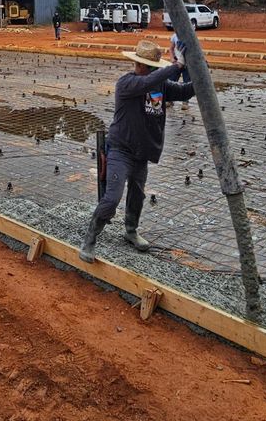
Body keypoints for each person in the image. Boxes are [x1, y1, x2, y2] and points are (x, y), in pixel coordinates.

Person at [79, 39, 195, 263]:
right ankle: (90, 239)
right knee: (112, 198)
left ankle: (131, 231)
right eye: (151, 68)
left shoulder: (160, 85)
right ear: (140, 65)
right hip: (120, 150)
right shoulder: (127, 83)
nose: (153, 72)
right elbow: (147, 83)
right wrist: (176, 66)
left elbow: (184, 92)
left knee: (137, 195)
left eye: (155, 69)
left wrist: (199, 70)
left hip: (142, 153)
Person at [170, 31, 191, 109]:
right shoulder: (174, 36)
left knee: (187, 82)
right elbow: (171, 48)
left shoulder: (190, 36)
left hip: (187, 64)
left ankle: (185, 102)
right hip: (177, 62)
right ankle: (170, 100)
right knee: (172, 81)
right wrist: (172, 58)